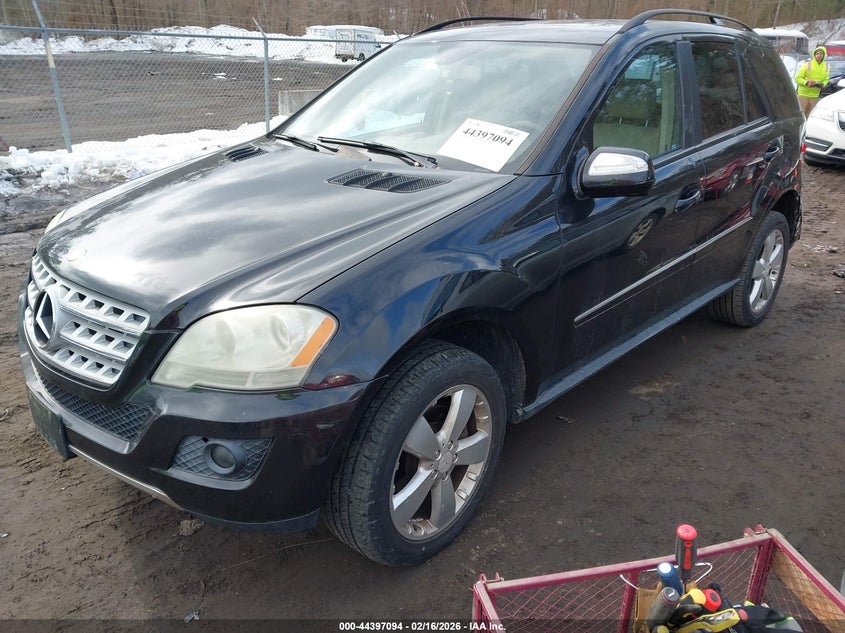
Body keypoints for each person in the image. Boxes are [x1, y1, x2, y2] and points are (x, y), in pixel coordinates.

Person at [795, 46, 829, 117]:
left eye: (821, 53)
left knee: (810, 116)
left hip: (815, 95)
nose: (819, 55)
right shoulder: (807, 65)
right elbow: (797, 78)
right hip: (803, 94)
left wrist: (823, 84)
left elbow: (826, 79)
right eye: (817, 53)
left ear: (824, 55)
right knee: (801, 116)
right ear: (814, 55)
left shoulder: (826, 66)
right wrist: (807, 83)